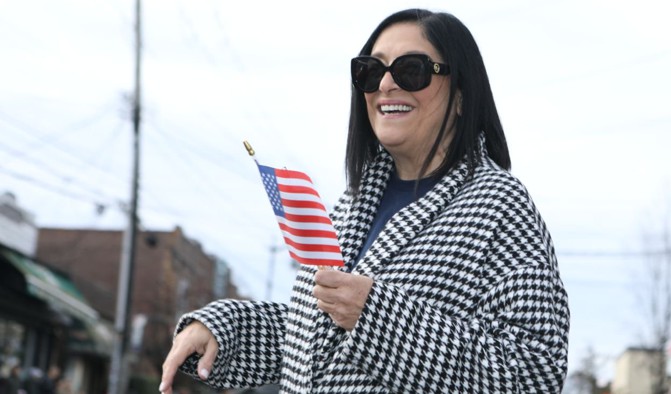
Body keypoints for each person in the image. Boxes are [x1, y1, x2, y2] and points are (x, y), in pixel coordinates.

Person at [159, 8, 570, 393]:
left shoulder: (500, 207)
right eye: (371, 71)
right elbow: (323, 337)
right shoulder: (352, 205)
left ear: (462, 94)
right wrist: (226, 329)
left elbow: (533, 374)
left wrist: (377, 318)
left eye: (411, 70)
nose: (386, 85)